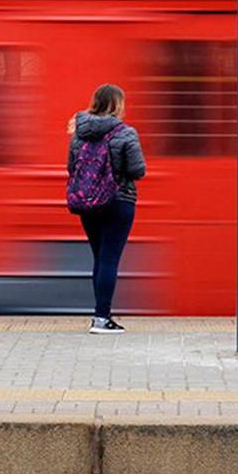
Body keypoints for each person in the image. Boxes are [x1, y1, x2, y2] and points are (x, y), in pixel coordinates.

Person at [67, 83, 146, 334]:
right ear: (118, 104)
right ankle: (102, 318)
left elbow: (72, 168)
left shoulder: (79, 133)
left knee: (100, 258)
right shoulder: (126, 133)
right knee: (109, 259)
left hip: (88, 203)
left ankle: (101, 316)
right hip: (118, 201)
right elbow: (137, 170)